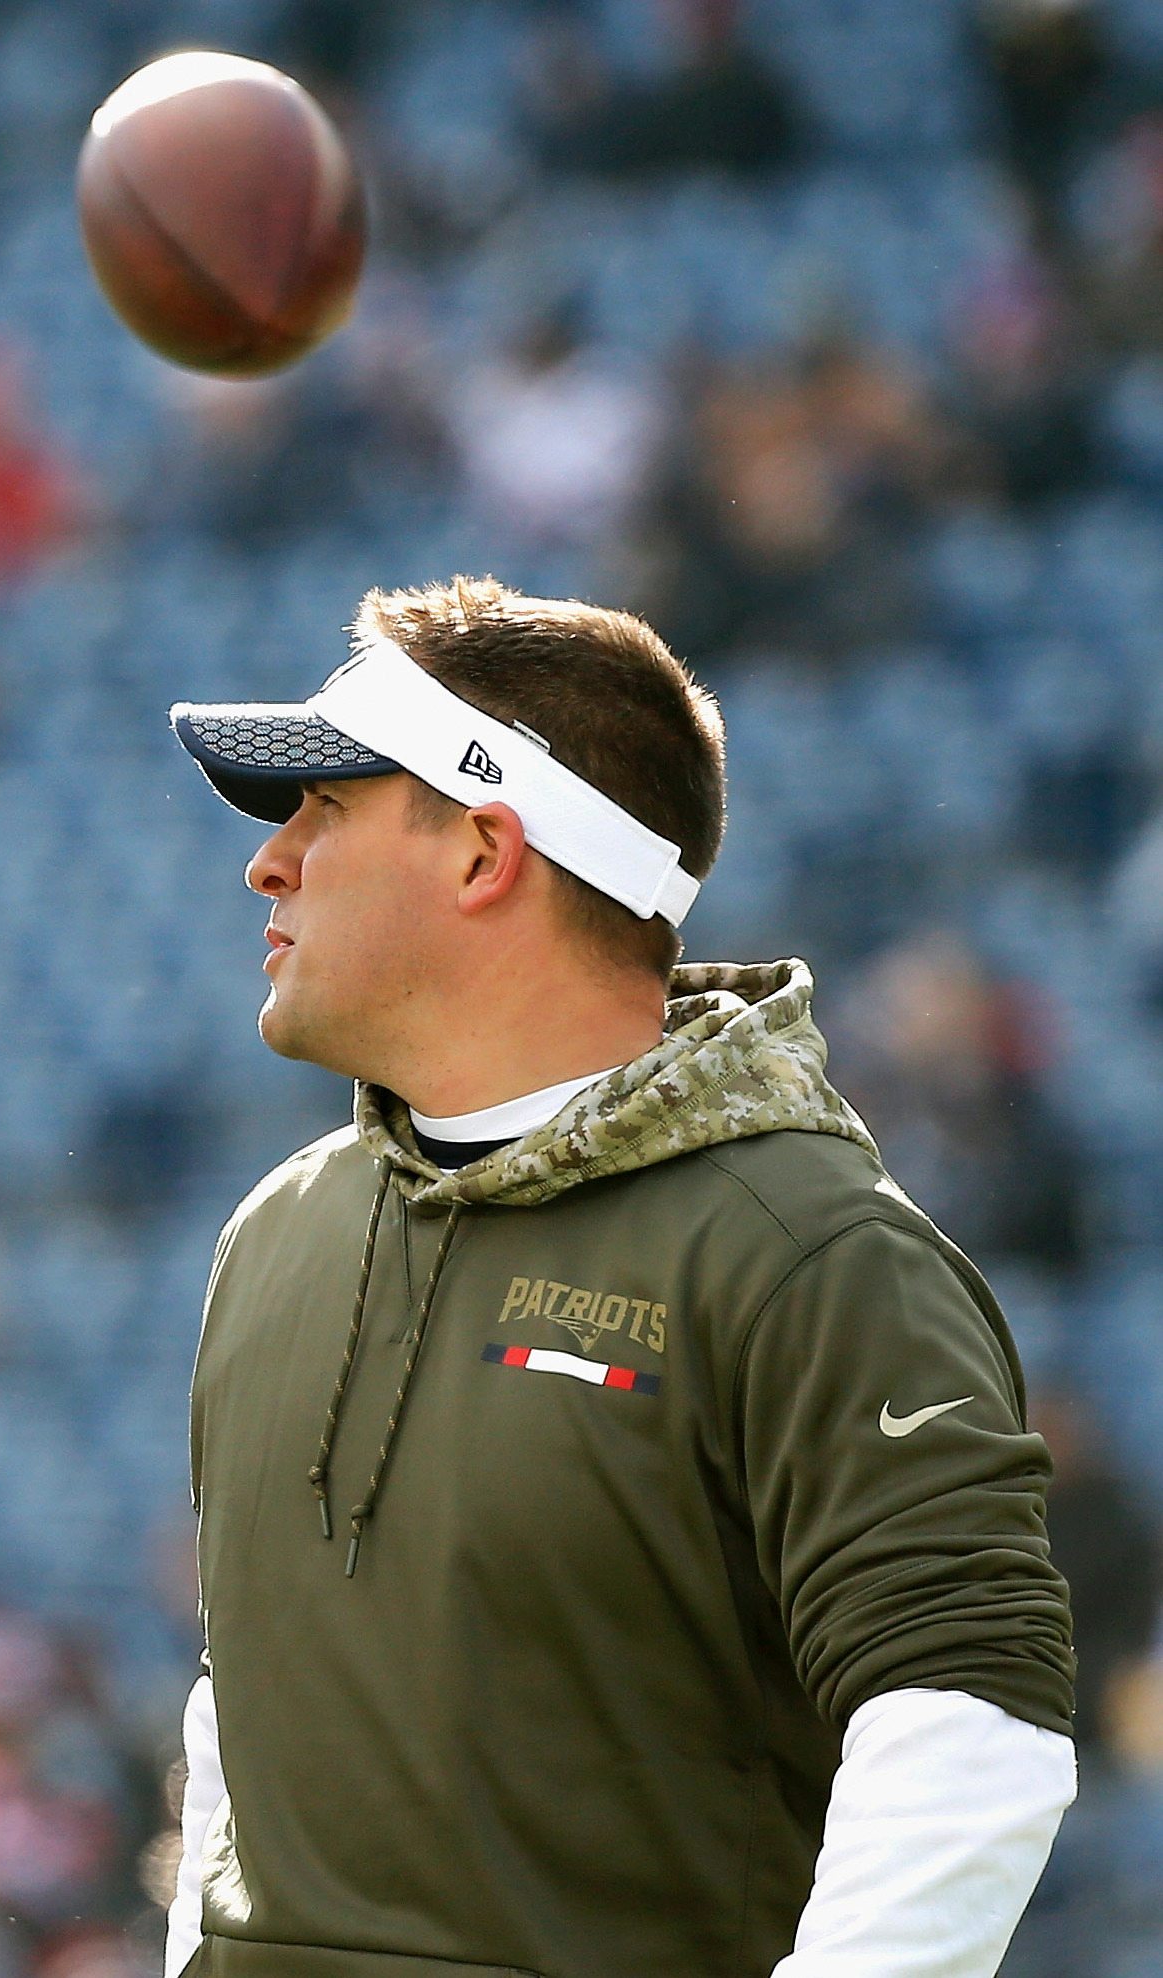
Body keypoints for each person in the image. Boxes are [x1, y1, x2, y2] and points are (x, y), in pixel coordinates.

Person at [157, 577, 1075, 1976]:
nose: (267, 863)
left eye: (325, 808)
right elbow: (243, 1715)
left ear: (484, 853)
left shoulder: (811, 1254)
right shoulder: (275, 1229)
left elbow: (970, 1732)